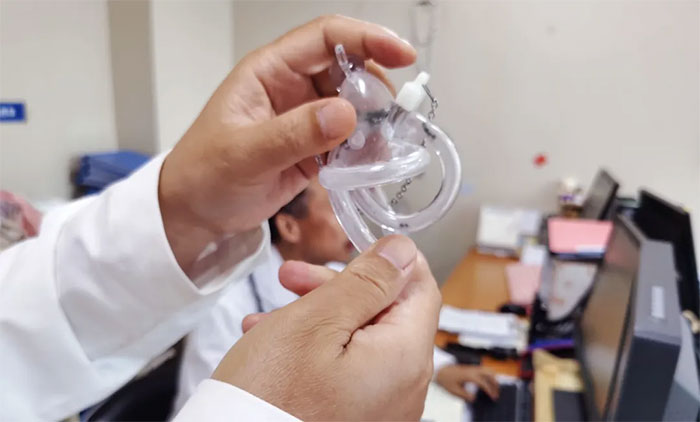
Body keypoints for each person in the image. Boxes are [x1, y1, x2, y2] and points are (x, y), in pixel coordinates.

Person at [0, 15, 442, 421]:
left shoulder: (329, 272)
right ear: (289, 226)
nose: (360, 212)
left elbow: (32, 317)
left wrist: (182, 208)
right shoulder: (233, 304)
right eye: (337, 205)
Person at [173, 179, 353, 412]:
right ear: (289, 227)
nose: (351, 220)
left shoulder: (339, 276)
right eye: (336, 208)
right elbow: (208, 409)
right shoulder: (227, 304)